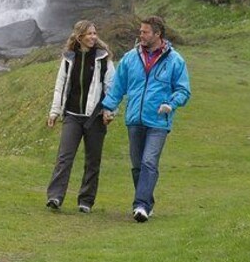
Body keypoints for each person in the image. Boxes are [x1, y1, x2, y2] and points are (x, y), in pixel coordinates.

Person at [100, 15, 190, 222]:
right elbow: (118, 87)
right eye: (140, 31)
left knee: (149, 162)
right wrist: (108, 108)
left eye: (145, 32)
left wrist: (172, 104)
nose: (140, 34)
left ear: (157, 34)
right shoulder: (130, 58)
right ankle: (146, 203)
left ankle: (140, 205)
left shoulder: (175, 60)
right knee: (137, 165)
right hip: (134, 119)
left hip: (159, 121)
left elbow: (184, 90)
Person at [45, 20, 114, 213]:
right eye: (89, 34)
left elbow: (111, 87)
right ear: (79, 37)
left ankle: (86, 201)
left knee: (93, 160)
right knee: (64, 157)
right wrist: (54, 112)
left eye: (95, 33)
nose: (93, 37)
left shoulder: (103, 58)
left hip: (95, 116)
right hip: (72, 115)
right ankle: (55, 197)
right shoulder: (68, 58)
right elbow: (60, 87)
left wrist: (109, 111)